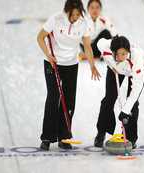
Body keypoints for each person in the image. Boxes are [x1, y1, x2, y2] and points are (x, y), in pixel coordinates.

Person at [37, 0, 101, 151]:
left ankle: (64, 137)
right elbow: (40, 37)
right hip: (53, 62)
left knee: (69, 100)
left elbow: (87, 46)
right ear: (66, 11)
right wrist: (48, 54)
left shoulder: (83, 23)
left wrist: (92, 65)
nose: (75, 18)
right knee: (53, 97)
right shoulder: (56, 19)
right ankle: (47, 137)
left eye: (78, 14)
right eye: (72, 15)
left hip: (71, 64)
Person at [94, 35, 144, 148]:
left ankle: (131, 138)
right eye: (117, 54)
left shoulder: (137, 58)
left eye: (123, 54)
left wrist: (125, 111)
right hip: (115, 69)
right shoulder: (104, 46)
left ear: (128, 52)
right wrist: (111, 64)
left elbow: (136, 89)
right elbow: (99, 42)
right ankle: (101, 132)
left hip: (133, 70)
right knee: (108, 99)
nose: (120, 57)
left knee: (132, 104)